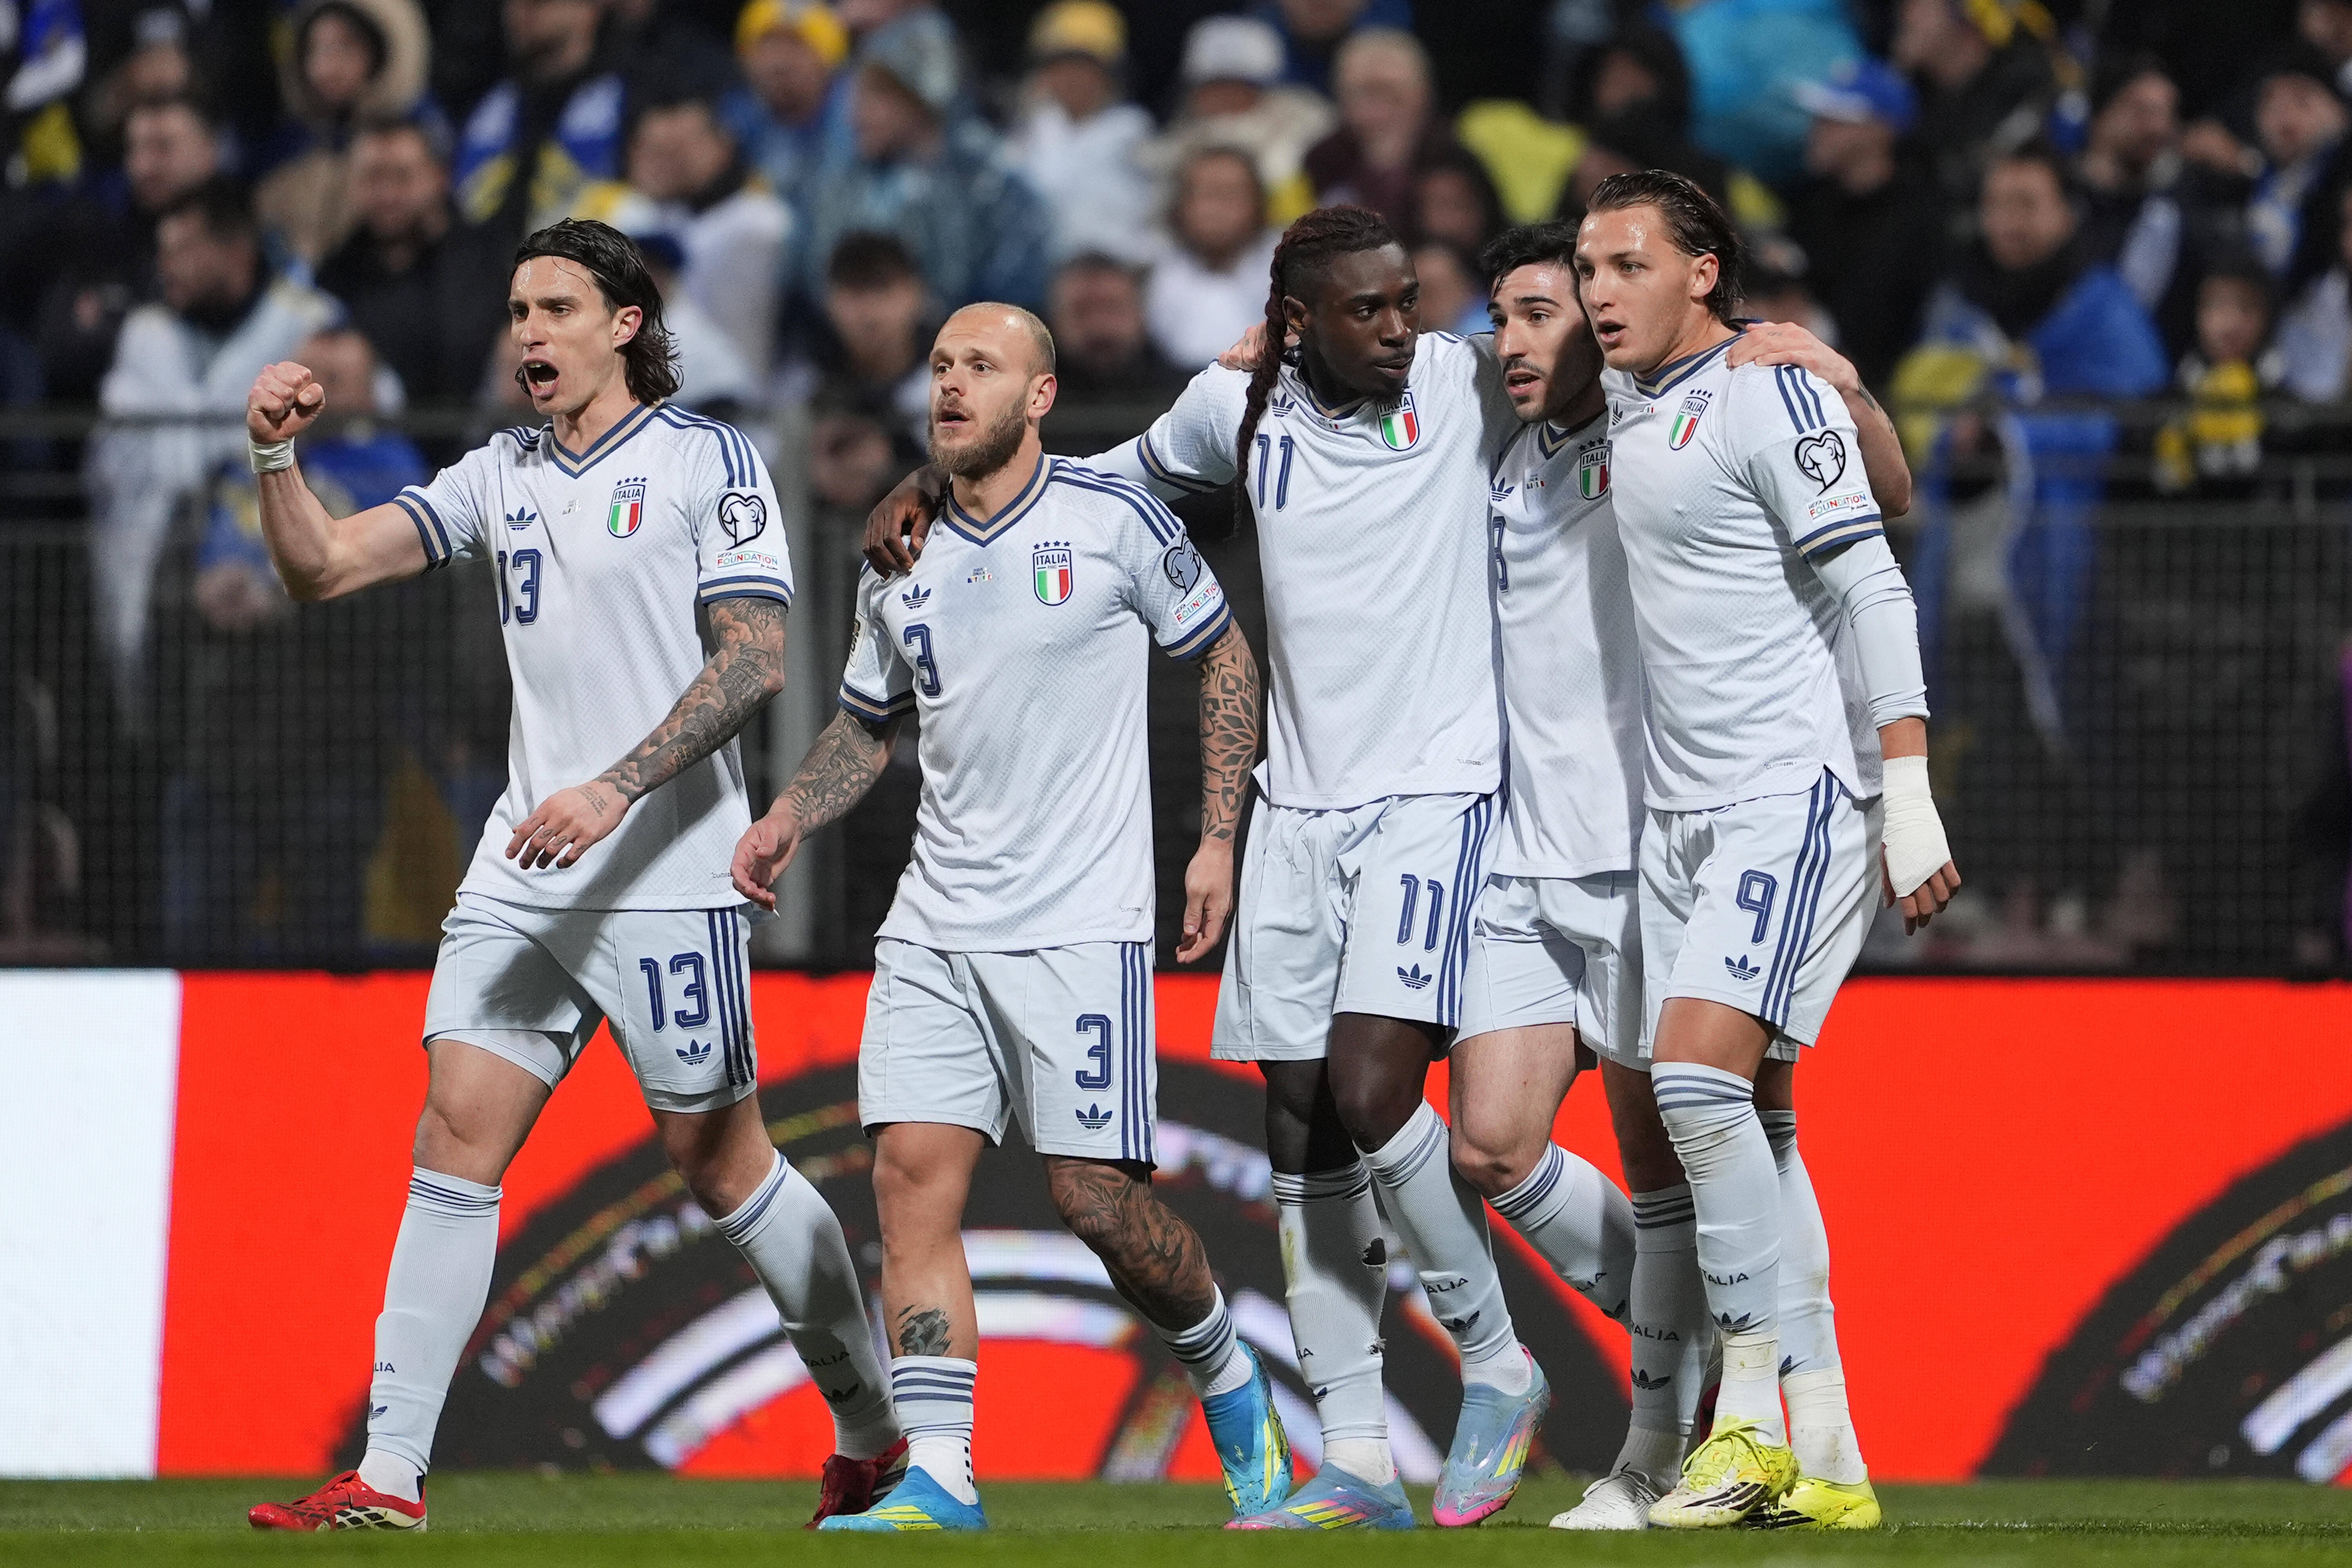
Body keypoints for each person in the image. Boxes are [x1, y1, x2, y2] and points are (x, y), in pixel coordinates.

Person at [867, 205, 1549, 1532]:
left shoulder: (1467, 384)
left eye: (1408, 299)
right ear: (1298, 323)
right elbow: (1082, 488)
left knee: (1368, 1085)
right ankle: (1353, 1459)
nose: (1401, 326)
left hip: (1436, 789)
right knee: (1299, 1129)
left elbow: (1597, 362)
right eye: (1368, 308)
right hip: (1297, 801)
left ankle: (1498, 1362)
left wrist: (1778, 349)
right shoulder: (1232, 407)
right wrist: (929, 495)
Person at [241, 219, 904, 1532]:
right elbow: (321, 568)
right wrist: (273, 455)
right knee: (453, 1136)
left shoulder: (712, 460)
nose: (528, 330)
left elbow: (757, 660)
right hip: (525, 862)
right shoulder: (503, 474)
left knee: (724, 1169)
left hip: (660, 866)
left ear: (625, 324)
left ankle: (874, 1428)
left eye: (556, 306)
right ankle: (389, 1472)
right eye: (517, 309)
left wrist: (617, 786)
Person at [733, 301, 1288, 1532]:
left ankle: (1225, 1367)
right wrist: (785, 818)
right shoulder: (899, 553)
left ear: (1038, 396)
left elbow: (1226, 657)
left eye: (980, 366)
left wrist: (1214, 838)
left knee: (1094, 1201)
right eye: (939, 366)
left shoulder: (1112, 519)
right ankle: (940, 1471)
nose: (949, 384)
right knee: (907, 1179)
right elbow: (865, 726)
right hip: (934, 924)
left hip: (1081, 927)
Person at [1452, 220, 1916, 1532]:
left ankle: (1703, 1434)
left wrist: (1843, 385)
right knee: (1705, 1142)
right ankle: (1798, 1436)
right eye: (1530, 309)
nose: (1545, 329)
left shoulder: (1694, 415)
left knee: (1699, 1133)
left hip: (1685, 823)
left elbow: (1883, 511)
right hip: (1581, 844)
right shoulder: (1515, 462)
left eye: (1573, 297)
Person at [1572, 168, 1956, 1528]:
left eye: (1626, 265)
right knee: (1759, 1124)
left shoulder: (1766, 389)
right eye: (1587, 268)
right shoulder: (1624, 394)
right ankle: (1835, 1451)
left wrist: (1906, 796)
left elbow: (1874, 569)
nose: (1597, 291)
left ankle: (1744, 1435)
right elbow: (1891, 481)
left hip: (1787, 797)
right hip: (1680, 810)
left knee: (1690, 1085)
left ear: (1706, 273)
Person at [86, 177, 339, 701]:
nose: (167, 265)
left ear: (236, 250)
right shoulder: (145, 336)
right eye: (163, 251)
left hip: (274, 587)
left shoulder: (310, 323)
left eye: (184, 249)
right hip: (159, 575)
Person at [600, 92, 792, 380]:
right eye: (653, 150)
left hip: (743, 391)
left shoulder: (761, 221)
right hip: (664, 387)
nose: (668, 161)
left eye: (681, 148)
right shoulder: (641, 216)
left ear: (723, 145)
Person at [1787, 57, 1942, 393]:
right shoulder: (1814, 205)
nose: (1818, 130)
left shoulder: (1920, 220)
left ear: (1881, 131)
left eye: (1837, 120)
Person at [316, 119, 497, 406]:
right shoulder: (334, 272)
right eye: (373, 178)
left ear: (439, 177)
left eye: (403, 177)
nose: (387, 195)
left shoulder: (487, 268)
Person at [254, 0, 432, 265]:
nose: (325, 68)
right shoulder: (287, 148)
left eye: (346, 47)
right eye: (315, 50)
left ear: (379, 51)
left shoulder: (421, 135)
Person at [451, 0, 624, 243]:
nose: (521, 11)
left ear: (588, 13)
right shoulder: (487, 103)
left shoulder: (630, 100)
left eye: (540, 3)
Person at [1137, 16, 1334, 228]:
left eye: (1239, 86)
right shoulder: (1170, 149)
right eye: (1214, 86)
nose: (1225, 97)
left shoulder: (1308, 131)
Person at [1009, 0, 1156, 265]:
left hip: (1117, 272)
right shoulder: (1027, 133)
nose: (1072, 77)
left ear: (1110, 73)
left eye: (1085, 66)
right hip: (1040, 280)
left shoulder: (1134, 131)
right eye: (1061, 65)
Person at [1303, 29, 1458, 233]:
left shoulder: (1452, 156)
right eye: (1363, 95)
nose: (1378, 111)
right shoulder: (1323, 161)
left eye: (1390, 93)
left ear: (1423, 96)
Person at [1145, 146, 1279, 370]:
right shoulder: (1149, 269)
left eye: (1228, 194)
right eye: (1204, 194)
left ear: (1258, 201)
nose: (1215, 208)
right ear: (1180, 205)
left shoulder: (1290, 268)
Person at [721, 0, 851, 209]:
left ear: (829, 60)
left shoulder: (854, 115)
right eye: (767, 45)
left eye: (797, 45)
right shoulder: (736, 117)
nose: (780, 63)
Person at [1047, 252, 1188, 401]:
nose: (1098, 325)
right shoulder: (1029, 400)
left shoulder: (1184, 395)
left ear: (1140, 315)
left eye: (1113, 309)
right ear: (1054, 320)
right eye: (1083, 312)